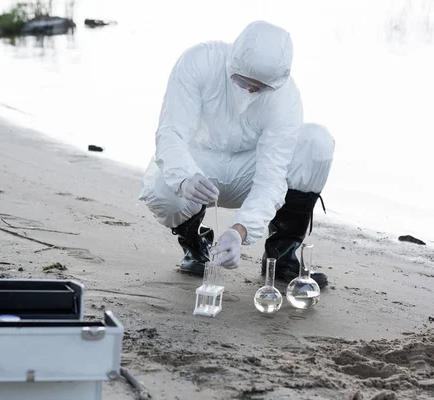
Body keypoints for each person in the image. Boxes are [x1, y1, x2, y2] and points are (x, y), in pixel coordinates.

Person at [138, 21, 335, 288]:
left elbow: (271, 179)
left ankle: (281, 254)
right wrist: (184, 178)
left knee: (317, 142)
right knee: (163, 188)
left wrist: (239, 231)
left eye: (261, 86)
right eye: (243, 81)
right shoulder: (198, 61)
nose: (251, 90)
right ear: (232, 61)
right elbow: (171, 133)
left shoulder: (286, 98)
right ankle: (196, 244)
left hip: (248, 173)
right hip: (199, 165)